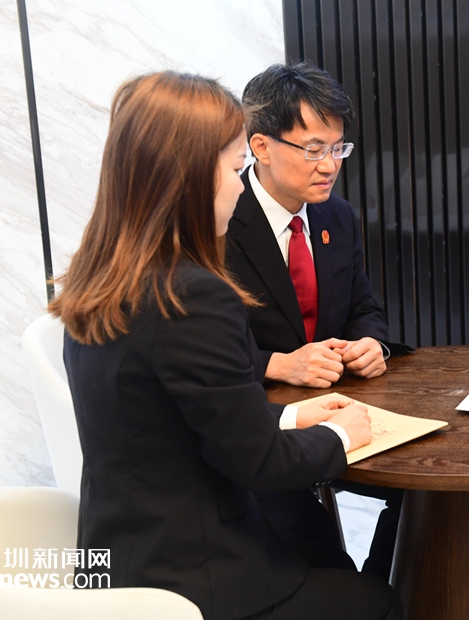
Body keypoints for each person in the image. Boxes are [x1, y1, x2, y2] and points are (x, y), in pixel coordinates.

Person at [50, 71, 402, 620]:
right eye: (234, 167)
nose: (240, 187)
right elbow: (259, 463)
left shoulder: (99, 278)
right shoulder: (191, 295)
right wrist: (341, 432)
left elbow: (175, 415)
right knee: (382, 601)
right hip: (200, 576)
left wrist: (293, 417)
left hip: (126, 558)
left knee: (334, 564)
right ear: (188, 176)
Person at [224, 61, 400, 580]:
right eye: (313, 149)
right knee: (319, 558)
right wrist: (278, 364)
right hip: (256, 430)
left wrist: (372, 344)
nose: (329, 166)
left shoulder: (335, 216)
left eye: (338, 149)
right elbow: (197, 353)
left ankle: (385, 588)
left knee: (431, 492)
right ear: (261, 147)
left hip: (335, 408)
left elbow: (364, 306)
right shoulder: (217, 220)